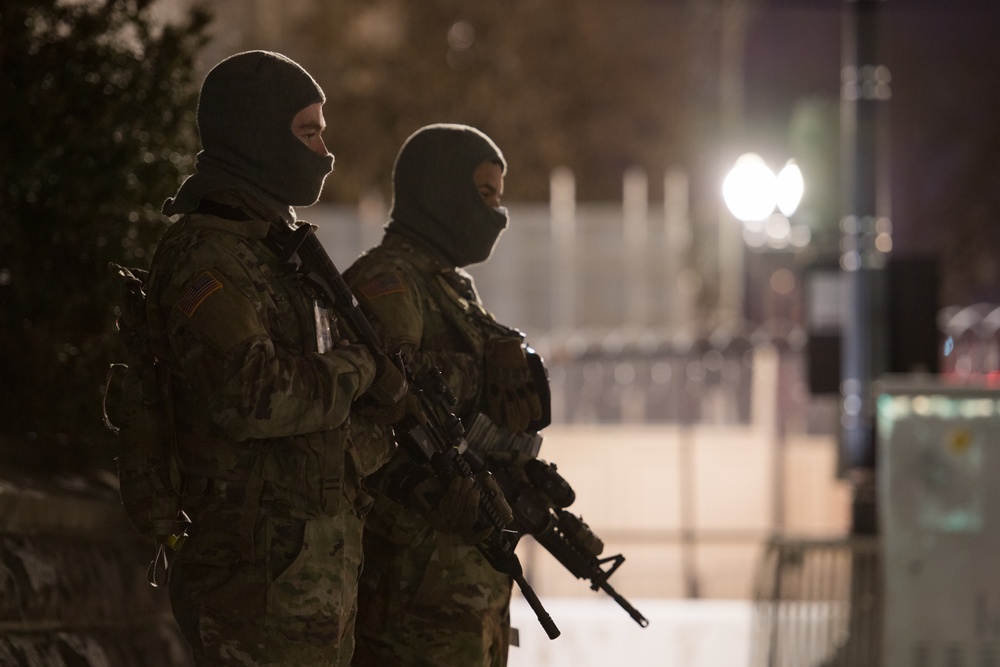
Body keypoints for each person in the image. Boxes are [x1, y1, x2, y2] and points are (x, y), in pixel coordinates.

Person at [143, 50, 408, 666]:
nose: (324, 152)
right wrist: (362, 367)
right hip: (250, 582)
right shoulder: (205, 255)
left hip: (305, 575)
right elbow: (250, 396)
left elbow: (317, 432)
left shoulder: (273, 250)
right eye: (308, 132)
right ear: (258, 139)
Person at [345, 123, 546, 667]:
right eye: (485, 195)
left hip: (461, 581)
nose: (497, 215)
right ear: (440, 191)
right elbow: (389, 383)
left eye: (500, 198)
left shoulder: (450, 287)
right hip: (413, 585)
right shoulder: (387, 279)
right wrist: (481, 370)